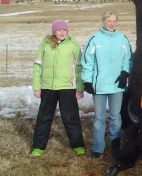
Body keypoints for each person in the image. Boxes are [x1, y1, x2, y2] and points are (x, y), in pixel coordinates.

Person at [31, 20, 85, 156]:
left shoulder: (73, 44)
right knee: (44, 117)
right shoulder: (45, 44)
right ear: (54, 32)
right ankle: (38, 146)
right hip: (48, 87)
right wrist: (37, 87)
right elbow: (37, 67)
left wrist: (80, 88)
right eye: (59, 30)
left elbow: (79, 68)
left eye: (64, 30)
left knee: (70, 117)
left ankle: (78, 145)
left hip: (67, 87)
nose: (62, 32)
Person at [82, 11, 132, 159]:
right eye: (108, 20)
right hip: (100, 85)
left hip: (116, 85)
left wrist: (124, 74)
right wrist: (87, 81)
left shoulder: (122, 39)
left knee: (116, 116)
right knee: (99, 117)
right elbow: (87, 62)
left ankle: (115, 144)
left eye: (114, 21)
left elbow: (127, 59)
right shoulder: (95, 39)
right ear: (103, 21)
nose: (111, 23)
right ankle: (98, 147)